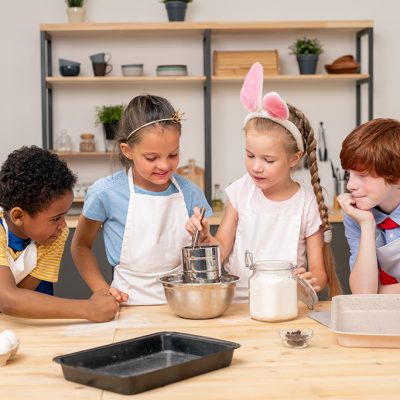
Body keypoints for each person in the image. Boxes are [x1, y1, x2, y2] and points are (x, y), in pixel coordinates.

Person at [186, 62, 341, 301]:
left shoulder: (306, 204)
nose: (256, 167)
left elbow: (319, 273)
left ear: (294, 158)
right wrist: (206, 237)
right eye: (250, 155)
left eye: (268, 160)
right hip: (237, 304)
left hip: (285, 304)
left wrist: (310, 280)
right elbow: (222, 251)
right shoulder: (241, 191)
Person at [71, 94, 212, 305]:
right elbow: (81, 247)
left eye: (173, 154)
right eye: (151, 158)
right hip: (127, 304)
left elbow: (211, 251)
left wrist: (204, 238)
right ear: (127, 151)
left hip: (183, 304)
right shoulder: (105, 193)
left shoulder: (190, 192)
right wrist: (102, 290)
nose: (164, 165)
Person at [0, 146, 119, 321]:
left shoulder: (53, 236)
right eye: (56, 218)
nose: (63, 226)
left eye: (64, 215)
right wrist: (88, 309)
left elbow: (23, 294)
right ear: (18, 216)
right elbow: (8, 301)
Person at [337, 118, 400, 294]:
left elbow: (371, 295)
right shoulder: (356, 215)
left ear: (396, 177)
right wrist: (366, 225)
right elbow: (363, 294)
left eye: (362, 175)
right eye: (349, 174)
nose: (350, 185)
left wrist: (378, 292)